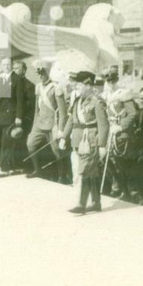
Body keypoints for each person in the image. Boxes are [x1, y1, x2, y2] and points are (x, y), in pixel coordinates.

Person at [65, 71, 109, 214]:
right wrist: (64, 136)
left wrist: (102, 145)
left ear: (88, 85)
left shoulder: (97, 101)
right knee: (92, 172)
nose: (77, 88)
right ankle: (96, 203)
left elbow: (103, 125)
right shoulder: (78, 101)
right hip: (79, 140)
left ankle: (81, 204)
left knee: (84, 171)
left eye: (79, 85)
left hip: (91, 141)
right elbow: (72, 120)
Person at [25, 59, 67, 180]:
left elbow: (63, 112)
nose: (41, 76)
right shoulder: (38, 87)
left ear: (49, 73)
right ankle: (37, 170)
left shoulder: (56, 88)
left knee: (57, 151)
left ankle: (62, 175)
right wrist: (34, 125)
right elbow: (36, 110)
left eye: (43, 73)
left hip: (53, 123)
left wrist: (60, 129)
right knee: (30, 144)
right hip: (39, 124)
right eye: (39, 73)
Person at [0, 57, 28, 176]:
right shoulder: (2, 77)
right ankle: (9, 166)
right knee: (6, 141)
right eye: (4, 65)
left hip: (12, 115)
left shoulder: (17, 79)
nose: (6, 67)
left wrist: (18, 116)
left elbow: (20, 100)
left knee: (7, 141)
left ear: (11, 65)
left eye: (8, 65)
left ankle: (5, 168)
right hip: (2, 115)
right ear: (1, 66)